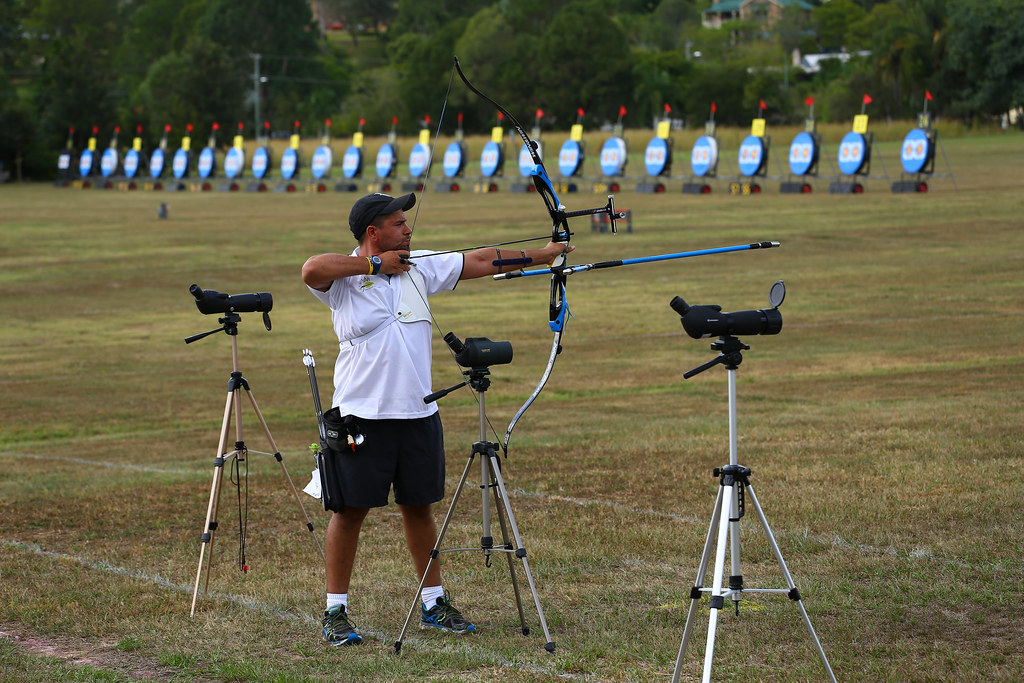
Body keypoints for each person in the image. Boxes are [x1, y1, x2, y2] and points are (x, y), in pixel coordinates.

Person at [301, 192, 572, 646]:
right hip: (361, 416)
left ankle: (433, 601)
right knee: (349, 512)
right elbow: (312, 268)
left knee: (419, 506)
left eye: (407, 222)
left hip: (419, 410)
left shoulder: (420, 264)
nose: (408, 229)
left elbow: (481, 260)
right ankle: (335, 611)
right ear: (373, 233)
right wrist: (374, 267)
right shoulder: (345, 276)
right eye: (398, 223)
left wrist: (544, 255)